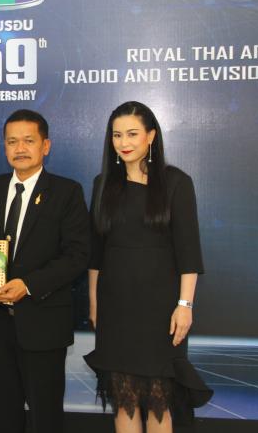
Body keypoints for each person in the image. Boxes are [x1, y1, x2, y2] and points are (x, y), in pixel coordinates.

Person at [85, 101, 212, 433]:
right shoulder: (102, 184)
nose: (124, 142)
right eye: (117, 135)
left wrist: (185, 305)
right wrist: (95, 303)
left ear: (151, 136)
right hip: (115, 309)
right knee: (123, 400)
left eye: (132, 134)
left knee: (158, 402)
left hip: (160, 311)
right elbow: (96, 254)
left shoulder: (175, 183)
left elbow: (189, 252)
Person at [0, 109, 90, 433]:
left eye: (28, 140)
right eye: (12, 141)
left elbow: (77, 255)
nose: (20, 148)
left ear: (45, 146)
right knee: (4, 416)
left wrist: (27, 284)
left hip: (43, 323)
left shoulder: (67, 192)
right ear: (4, 147)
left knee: (45, 417)